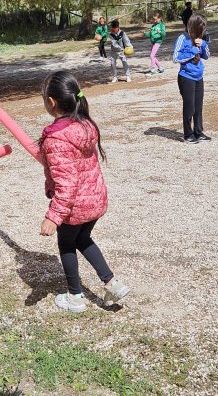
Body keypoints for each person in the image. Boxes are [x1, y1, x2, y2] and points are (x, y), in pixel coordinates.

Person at [37, 70, 130, 313]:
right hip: (95, 201)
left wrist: (53, 216)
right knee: (83, 239)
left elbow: (66, 185)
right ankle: (112, 283)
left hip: (75, 207)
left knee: (67, 244)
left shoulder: (56, 139)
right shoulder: (85, 125)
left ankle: (75, 297)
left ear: (51, 102)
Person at [173, 13, 210, 143]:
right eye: (201, 27)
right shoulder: (182, 38)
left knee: (198, 107)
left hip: (199, 77)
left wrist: (203, 44)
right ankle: (188, 134)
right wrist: (191, 52)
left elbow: (207, 56)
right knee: (190, 107)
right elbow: (175, 58)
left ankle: (198, 132)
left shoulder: (201, 38)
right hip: (186, 77)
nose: (203, 30)